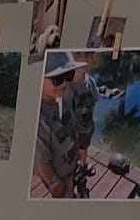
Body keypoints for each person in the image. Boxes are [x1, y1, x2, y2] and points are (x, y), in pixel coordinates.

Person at [34, 50, 96, 198]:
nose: (64, 83)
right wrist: (53, 182)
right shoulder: (40, 118)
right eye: (57, 79)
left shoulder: (62, 100)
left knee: (70, 189)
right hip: (57, 175)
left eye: (68, 75)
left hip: (69, 166)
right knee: (64, 196)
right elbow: (40, 160)